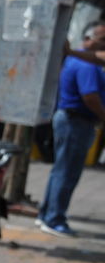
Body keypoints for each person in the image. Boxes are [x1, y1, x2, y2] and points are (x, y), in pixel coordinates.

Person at [36, 22, 105, 238]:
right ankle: (54, 218)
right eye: (102, 40)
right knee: (67, 173)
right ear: (89, 39)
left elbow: (98, 58)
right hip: (76, 122)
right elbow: (90, 96)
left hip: (73, 121)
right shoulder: (86, 64)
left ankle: (48, 214)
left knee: (61, 171)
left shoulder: (82, 58)